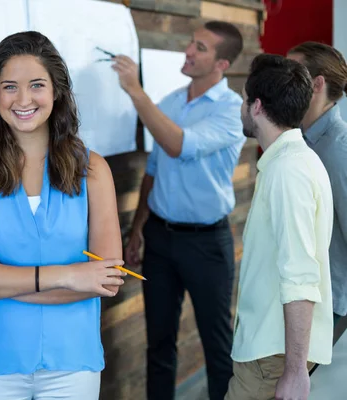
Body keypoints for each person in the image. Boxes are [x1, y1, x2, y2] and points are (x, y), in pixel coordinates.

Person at [0, 31, 126, 400]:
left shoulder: (93, 170)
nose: (23, 99)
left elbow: (106, 279)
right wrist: (72, 275)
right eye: (10, 86)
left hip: (72, 360)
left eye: (37, 85)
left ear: (56, 91)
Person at [111, 21, 245, 400]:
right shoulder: (170, 102)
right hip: (160, 240)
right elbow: (154, 170)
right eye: (191, 42)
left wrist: (135, 91)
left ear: (221, 64)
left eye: (200, 47)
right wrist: (138, 228)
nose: (188, 50)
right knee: (159, 345)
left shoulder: (230, 110)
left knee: (218, 349)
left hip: (207, 245)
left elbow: (178, 146)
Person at [226, 54, 333, 400]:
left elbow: (300, 276)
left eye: (244, 99)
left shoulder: (289, 172)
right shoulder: (288, 162)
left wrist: (295, 370)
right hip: (270, 351)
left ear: (256, 106)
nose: (241, 107)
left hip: (271, 358)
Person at [287, 41, 347, 326]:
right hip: (300, 299)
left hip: (327, 304)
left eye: (291, 74)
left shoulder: (339, 148)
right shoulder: (299, 138)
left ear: (316, 84)